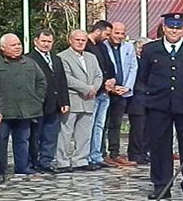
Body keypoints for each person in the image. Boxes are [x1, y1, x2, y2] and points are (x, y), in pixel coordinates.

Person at [137, 13, 183, 200]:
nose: (174, 31)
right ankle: (161, 184)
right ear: (164, 27)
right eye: (171, 27)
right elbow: (141, 79)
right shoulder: (150, 49)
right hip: (159, 105)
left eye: (178, 28)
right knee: (159, 146)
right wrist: (147, 97)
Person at [0, 33, 46, 178]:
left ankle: (22, 166)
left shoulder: (29, 62)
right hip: (3, 111)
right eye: (13, 45)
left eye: (19, 44)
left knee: (23, 140)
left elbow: (41, 82)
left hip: (25, 110)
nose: (17, 47)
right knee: (0, 141)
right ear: (2, 48)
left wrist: (37, 99)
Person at [57, 30, 102, 172]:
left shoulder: (91, 57)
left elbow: (98, 75)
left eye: (83, 40)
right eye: (77, 40)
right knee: (65, 133)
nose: (80, 42)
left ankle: (81, 160)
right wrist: (86, 88)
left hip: (89, 100)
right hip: (72, 99)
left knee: (84, 133)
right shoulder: (62, 57)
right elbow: (67, 77)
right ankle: (62, 161)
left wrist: (94, 88)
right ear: (70, 40)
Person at [26, 29, 69, 173]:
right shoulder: (29, 59)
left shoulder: (56, 59)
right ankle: (33, 162)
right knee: (35, 136)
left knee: (50, 136)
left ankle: (46, 161)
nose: (46, 44)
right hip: (38, 105)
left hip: (55, 104)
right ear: (35, 41)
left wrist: (64, 101)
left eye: (49, 41)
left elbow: (62, 81)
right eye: (43, 41)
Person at [103, 22, 138, 167]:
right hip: (106, 91)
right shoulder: (102, 46)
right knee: (103, 124)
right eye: (116, 33)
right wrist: (111, 86)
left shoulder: (128, 47)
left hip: (122, 92)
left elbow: (133, 67)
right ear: (110, 32)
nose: (119, 36)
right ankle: (101, 153)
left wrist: (127, 87)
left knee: (116, 124)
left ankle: (115, 153)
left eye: (122, 34)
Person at [85, 20, 116, 169]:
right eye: (106, 34)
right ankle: (87, 156)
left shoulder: (102, 47)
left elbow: (109, 65)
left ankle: (96, 155)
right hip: (93, 92)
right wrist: (102, 83)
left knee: (100, 126)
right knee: (90, 125)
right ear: (98, 31)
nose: (107, 38)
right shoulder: (86, 46)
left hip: (104, 92)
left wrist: (112, 80)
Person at [126, 37, 151, 165]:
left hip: (149, 99)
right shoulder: (134, 61)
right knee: (138, 128)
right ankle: (135, 153)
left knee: (147, 128)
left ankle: (144, 152)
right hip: (137, 99)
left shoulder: (149, 61)